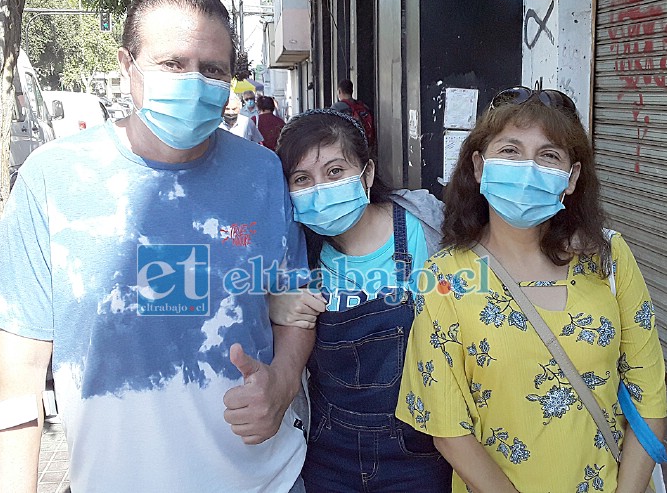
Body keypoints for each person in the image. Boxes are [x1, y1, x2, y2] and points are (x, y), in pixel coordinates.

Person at [0, 0, 313, 493]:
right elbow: (16, 374)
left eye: (213, 69)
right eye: (173, 64)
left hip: (267, 482)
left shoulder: (262, 174)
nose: (195, 82)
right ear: (128, 66)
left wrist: (282, 385)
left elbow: (293, 309)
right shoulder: (53, 179)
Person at [396, 86, 667, 492]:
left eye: (549, 155)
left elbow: (650, 395)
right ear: (479, 166)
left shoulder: (609, 259)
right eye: (510, 151)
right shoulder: (445, 276)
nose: (528, 168)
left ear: (571, 178)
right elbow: (448, 428)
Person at [273, 109, 453, 492]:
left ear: (367, 174)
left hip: (421, 452)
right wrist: (271, 306)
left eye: (335, 171)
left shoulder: (428, 230)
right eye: (302, 179)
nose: (320, 188)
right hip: (327, 453)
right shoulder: (296, 255)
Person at [330, 78, 376, 149]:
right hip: (364, 144)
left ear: (339, 91)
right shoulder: (363, 106)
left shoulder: (336, 107)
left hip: (347, 144)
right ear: (352, 91)